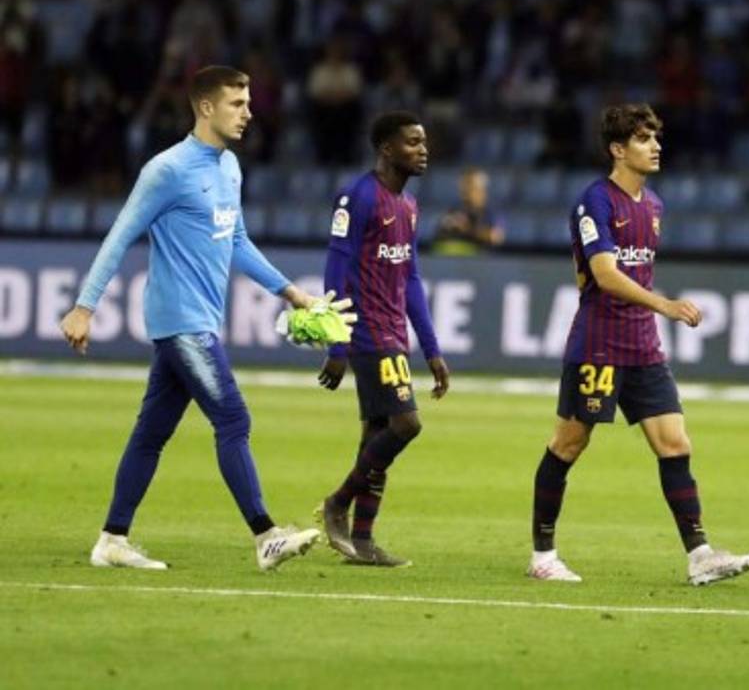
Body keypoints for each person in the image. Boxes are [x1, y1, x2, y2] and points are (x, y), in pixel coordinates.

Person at [59, 65, 332, 571]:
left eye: (249, 103)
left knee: (151, 434)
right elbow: (120, 234)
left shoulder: (229, 168)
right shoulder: (167, 170)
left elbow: (236, 242)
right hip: (180, 320)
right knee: (233, 417)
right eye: (237, 103)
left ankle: (112, 539)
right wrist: (85, 305)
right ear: (206, 107)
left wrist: (291, 292)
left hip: (199, 320)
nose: (249, 113)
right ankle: (266, 535)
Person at [528, 103, 749, 586]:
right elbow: (604, 275)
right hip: (598, 345)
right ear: (618, 149)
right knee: (569, 443)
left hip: (642, 346)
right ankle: (543, 555)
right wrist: (665, 305)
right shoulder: (595, 201)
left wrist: (651, 314)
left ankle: (700, 555)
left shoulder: (653, 206)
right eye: (643, 138)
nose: (656, 146)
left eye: (656, 136)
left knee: (674, 443)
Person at [315, 111, 451, 566]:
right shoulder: (358, 197)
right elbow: (336, 269)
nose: (423, 150)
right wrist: (337, 342)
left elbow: (410, 279)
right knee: (405, 425)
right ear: (387, 149)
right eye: (413, 142)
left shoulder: (408, 207)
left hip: (394, 331)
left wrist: (431, 349)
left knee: (377, 434)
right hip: (367, 330)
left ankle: (364, 541)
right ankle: (337, 503)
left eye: (424, 142)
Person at [432, 166, 505, 255]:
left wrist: (468, 229)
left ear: (481, 189)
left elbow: (496, 237)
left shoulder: (491, 211)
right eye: (463, 187)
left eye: (469, 186)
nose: (465, 192)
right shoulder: (455, 209)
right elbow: (439, 232)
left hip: (483, 261)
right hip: (453, 261)